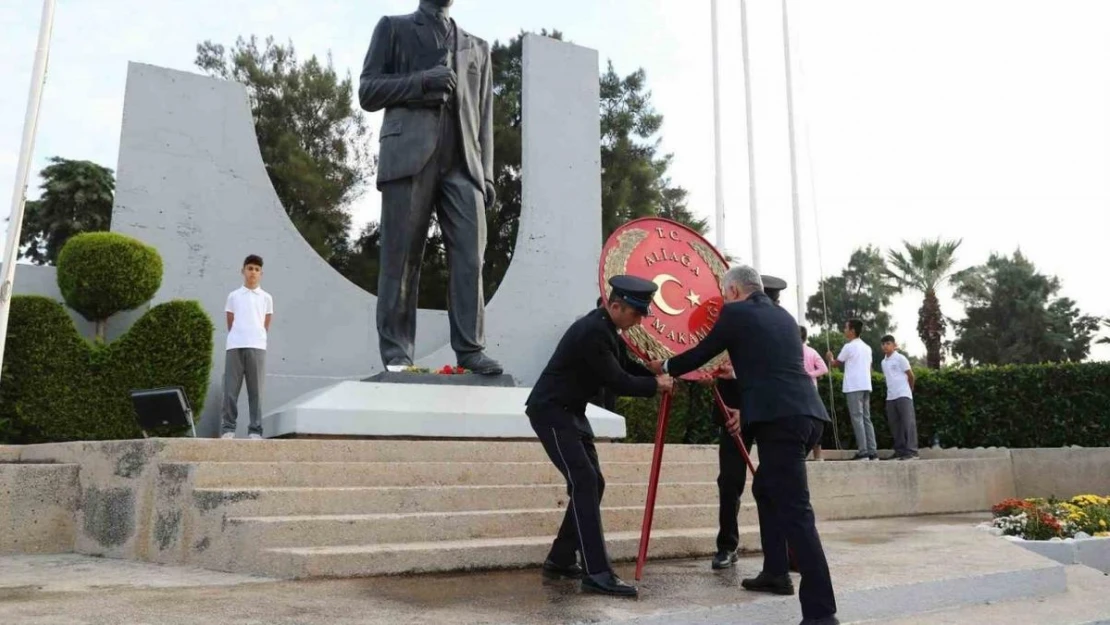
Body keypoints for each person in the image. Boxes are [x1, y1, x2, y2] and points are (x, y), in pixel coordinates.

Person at [651, 266, 839, 625]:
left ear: (734, 290)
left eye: (725, 294)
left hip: (780, 422)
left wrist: (662, 364)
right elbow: (768, 369)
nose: (724, 300)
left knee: (798, 515)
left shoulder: (735, 313)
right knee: (766, 488)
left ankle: (821, 614)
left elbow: (701, 353)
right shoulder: (782, 317)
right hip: (806, 416)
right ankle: (775, 572)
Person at [359, 0, 503, 375]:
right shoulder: (393, 27)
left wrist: (486, 174)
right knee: (401, 259)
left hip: (463, 164)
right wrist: (421, 82)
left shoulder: (478, 47)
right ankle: (396, 353)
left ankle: (471, 349)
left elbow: (485, 113)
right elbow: (368, 90)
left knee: (471, 259)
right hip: (408, 157)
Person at [525, 275, 674, 597]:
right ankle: (597, 572)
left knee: (595, 482)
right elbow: (616, 380)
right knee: (585, 481)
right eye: (636, 313)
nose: (638, 320)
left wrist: (650, 369)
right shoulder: (594, 331)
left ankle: (562, 558)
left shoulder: (607, 328)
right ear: (616, 305)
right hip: (551, 411)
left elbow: (624, 366)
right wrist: (655, 385)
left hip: (571, 413)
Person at [220, 255, 274, 440]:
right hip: (235, 346)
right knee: (230, 390)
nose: (253, 272)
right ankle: (228, 428)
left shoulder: (266, 298)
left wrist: (255, 337)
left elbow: (265, 323)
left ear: (261, 274)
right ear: (243, 271)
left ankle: (255, 430)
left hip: (257, 346)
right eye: (250, 268)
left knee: (256, 391)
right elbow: (230, 321)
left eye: (257, 269)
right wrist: (239, 336)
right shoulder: (233, 296)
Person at [827, 320, 877, 461]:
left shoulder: (849, 347)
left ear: (852, 331)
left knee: (857, 418)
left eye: (846, 328)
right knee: (866, 418)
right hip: (866, 385)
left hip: (854, 386)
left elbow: (836, 364)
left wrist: (830, 358)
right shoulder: (867, 348)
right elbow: (870, 367)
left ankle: (863, 452)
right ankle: (872, 451)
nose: (844, 330)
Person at [880, 335, 919, 460]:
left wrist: (910, 389)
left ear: (894, 345)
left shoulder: (900, 358)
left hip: (903, 394)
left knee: (908, 423)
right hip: (890, 397)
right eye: (883, 344)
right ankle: (900, 450)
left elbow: (911, 376)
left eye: (888, 343)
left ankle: (912, 451)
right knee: (895, 424)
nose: (885, 346)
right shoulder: (883, 362)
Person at [800, 326, 830, 461]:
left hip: (799, 392)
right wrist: (811, 375)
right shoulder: (812, 351)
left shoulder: (792, 351)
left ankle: (808, 453)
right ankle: (818, 455)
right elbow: (823, 369)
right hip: (812, 392)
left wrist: (807, 374)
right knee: (815, 421)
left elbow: (824, 369)